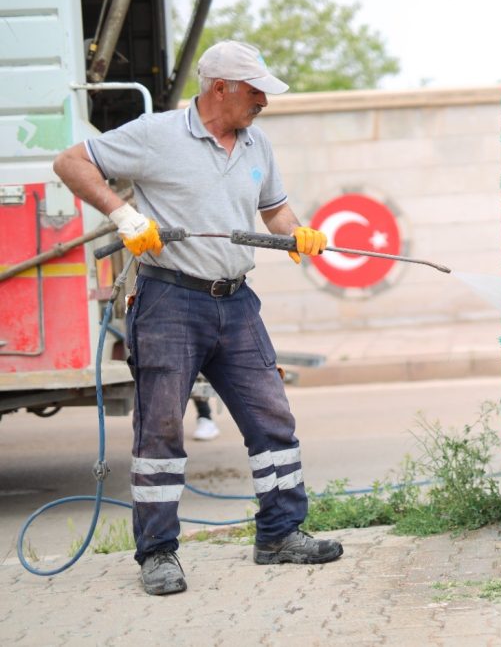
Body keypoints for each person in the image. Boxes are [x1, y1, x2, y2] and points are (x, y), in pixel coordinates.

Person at [53, 40, 342, 596]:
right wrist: (124, 213)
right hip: (170, 302)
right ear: (220, 88)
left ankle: (281, 534)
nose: (263, 100)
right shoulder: (157, 135)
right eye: (255, 90)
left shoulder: (258, 143)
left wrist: (295, 231)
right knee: (161, 430)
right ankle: (158, 555)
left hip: (236, 302)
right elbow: (71, 162)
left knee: (272, 419)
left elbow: (275, 208)